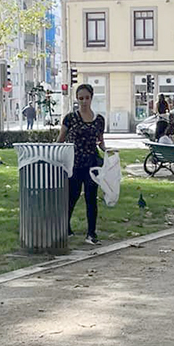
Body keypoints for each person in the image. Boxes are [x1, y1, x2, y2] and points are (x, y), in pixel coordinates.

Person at [58, 83, 106, 245]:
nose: (84, 101)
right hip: (74, 164)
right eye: (80, 98)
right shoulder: (70, 118)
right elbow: (61, 139)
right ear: (77, 99)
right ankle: (65, 227)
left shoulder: (99, 120)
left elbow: (100, 141)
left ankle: (91, 233)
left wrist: (108, 151)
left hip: (92, 164)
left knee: (91, 198)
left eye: (87, 98)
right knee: (72, 196)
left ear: (91, 98)